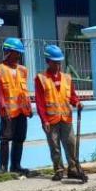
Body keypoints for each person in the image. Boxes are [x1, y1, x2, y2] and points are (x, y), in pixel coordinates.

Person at [35, 45, 83, 182]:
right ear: (48, 61)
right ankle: (59, 170)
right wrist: (44, 120)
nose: (58, 65)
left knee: (71, 144)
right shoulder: (41, 79)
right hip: (51, 120)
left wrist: (77, 103)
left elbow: (72, 96)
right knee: (54, 146)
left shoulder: (67, 78)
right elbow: (40, 102)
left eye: (59, 62)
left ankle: (73, 169)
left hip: (66, 118)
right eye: (55, 62)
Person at [0, 38, 33, 176]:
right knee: (5, 138)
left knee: (19, 138)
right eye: (16, 53)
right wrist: (3, 109)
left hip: (21, 111)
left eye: (19, 53)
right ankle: (3, 167)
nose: (18, 56)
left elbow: (24, 91)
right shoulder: (0, 70)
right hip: (8, 111)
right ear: (8, 52)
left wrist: (29, 108)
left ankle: (16, 166)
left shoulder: (23, 70)